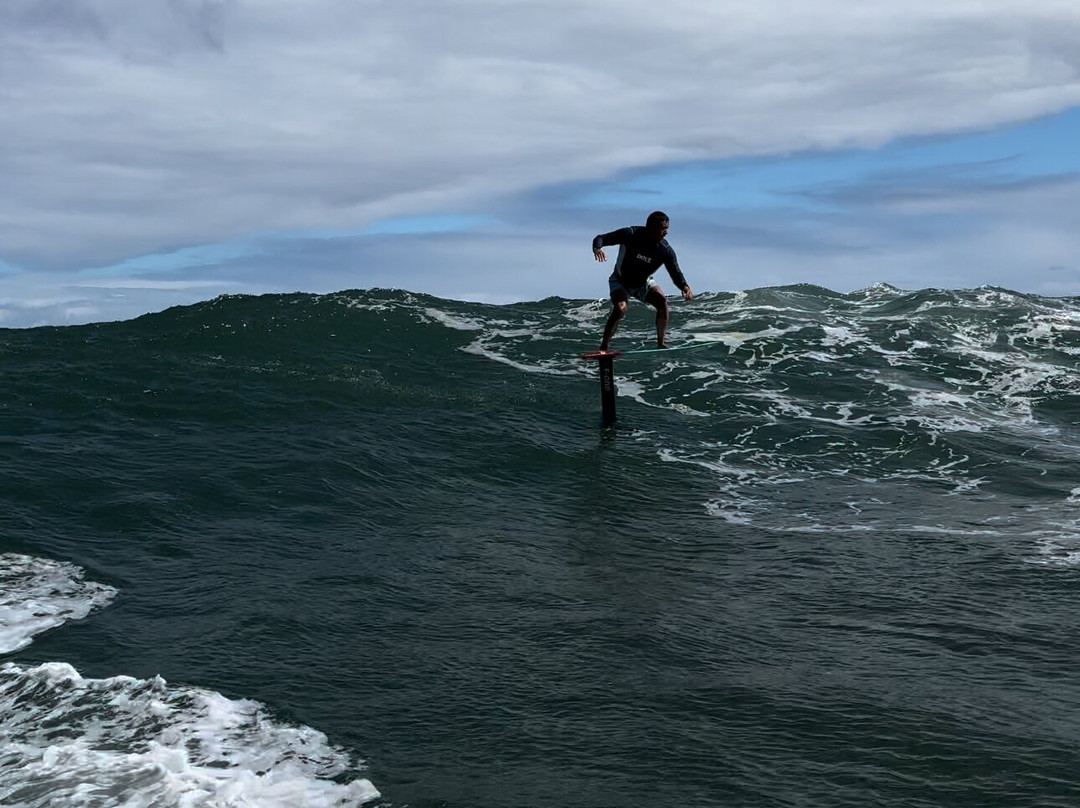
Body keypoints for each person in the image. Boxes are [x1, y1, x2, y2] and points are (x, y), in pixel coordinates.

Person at [592, 211, 693, 351]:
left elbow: (675, 271)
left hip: (643, 282)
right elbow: (601, 238)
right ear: (651, 228)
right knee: (620, 308)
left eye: (667, 229)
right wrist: (597, 248)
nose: (666, 233)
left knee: (662, 302)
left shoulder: (665, 250)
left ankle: (661, 344)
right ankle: (603, 348)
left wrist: (685, 286)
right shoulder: (630, 234)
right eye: (663, 229)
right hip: (620, 281)